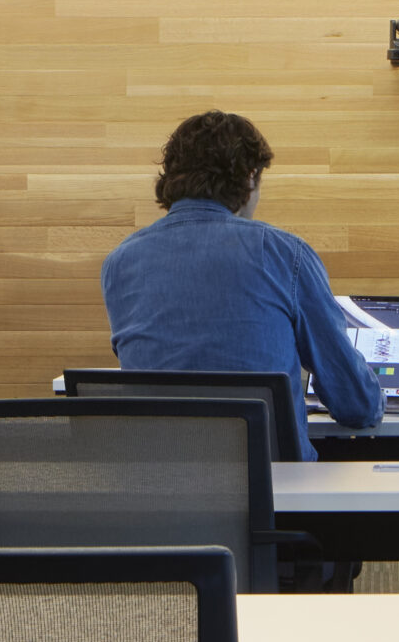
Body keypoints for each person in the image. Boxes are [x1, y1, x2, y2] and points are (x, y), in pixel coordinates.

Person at [101, 108, 383, 459]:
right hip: (273, 485)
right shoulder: (283, 254)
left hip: (162, 483)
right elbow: (356, 404)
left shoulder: (120, 263)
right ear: (251, 178)